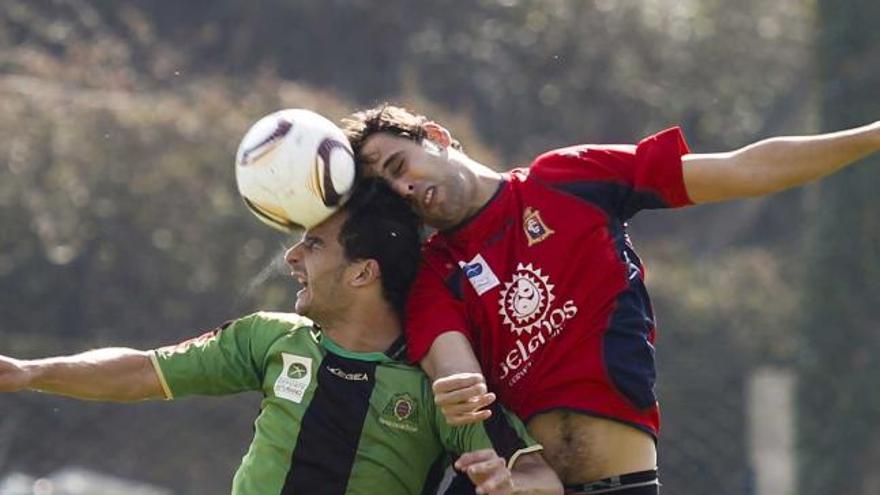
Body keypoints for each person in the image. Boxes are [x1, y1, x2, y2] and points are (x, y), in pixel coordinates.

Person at [342, 105, 880, 494]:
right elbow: (454, 369)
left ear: (435, 135)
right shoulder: (435, 275)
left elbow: (744, 169)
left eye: (398, 167)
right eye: (390, 195)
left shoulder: (568, 178)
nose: (405, 190)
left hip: (625, 483)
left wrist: (873, 134)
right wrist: (458, 392)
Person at [0, 179, 563, 495]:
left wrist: (514, 482)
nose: (291, 256)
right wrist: (30, 372)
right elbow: (145, 370)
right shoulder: (270, 340)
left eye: (314, 246)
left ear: (363, 272)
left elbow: (537, 473)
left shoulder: (441, 387)